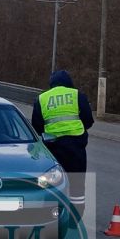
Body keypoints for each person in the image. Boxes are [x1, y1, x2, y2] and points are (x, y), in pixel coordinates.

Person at [32, 70, 94, 225]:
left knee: (48, 182)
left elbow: (36, 125)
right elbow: (88, 120)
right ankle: (74, 220)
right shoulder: (77, 95)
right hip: (75, 147)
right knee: (77, 183)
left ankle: (47, 215)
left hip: (52, 149)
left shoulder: (42, 98)